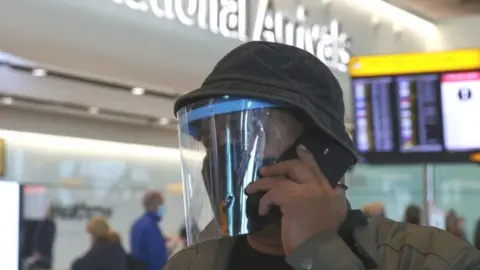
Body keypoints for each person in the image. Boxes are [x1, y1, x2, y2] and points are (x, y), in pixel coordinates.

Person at [164, 41, 480, 270]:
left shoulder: (431, 259)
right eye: (209, 141)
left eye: (244, 135)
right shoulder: (191, 264)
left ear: (319, 147)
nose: (220, 156)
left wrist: (321, 254)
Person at [130, 191, 168, 270]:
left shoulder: (137, 224)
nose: (164, 207)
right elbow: (156, 256)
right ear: (155, 205)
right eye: (162, 204)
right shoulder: (151, 226)